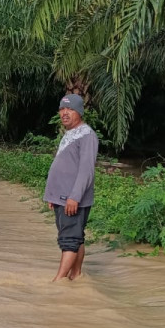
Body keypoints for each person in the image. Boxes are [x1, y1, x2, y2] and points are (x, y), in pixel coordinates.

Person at [43, 93, 98, 281]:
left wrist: (74, 197)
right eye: (62, 109)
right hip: (61, 197)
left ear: (80, 112)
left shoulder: (86, 135)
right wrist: (53, 195)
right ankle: (75, 275)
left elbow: (86, 171)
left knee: (69, 240)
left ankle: (57, 282)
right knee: (75, 237)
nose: (65, 113)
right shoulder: (70, 133)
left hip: (72, 199)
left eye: (70, 109)